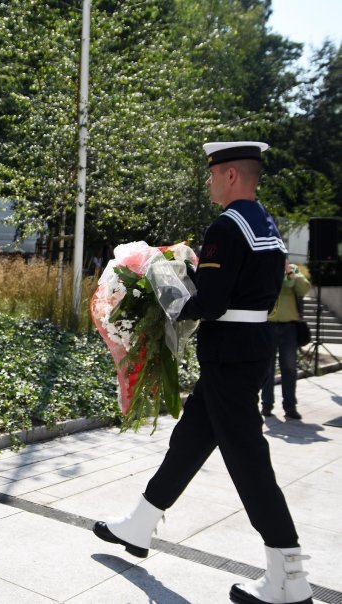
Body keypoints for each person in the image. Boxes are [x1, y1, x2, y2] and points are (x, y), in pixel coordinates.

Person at [92, 142, 314, 604]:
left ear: (231, 175)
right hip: (249, 348)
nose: (209, 181)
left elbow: (210, 302)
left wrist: (163, 290)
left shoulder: (227, 225)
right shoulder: (266, 224)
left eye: (213, 174)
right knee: (191, 439)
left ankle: (288, 573)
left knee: (247, 458)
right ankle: (141, 522)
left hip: (229, 351)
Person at [261, 260, 310, 420]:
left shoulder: (293, 270)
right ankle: (266, 405)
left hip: (289, 328)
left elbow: (304, 288)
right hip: (268, 325)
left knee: (289, 368)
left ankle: (290, 407)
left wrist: (289, 272)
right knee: (267, 369)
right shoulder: (266, 269)